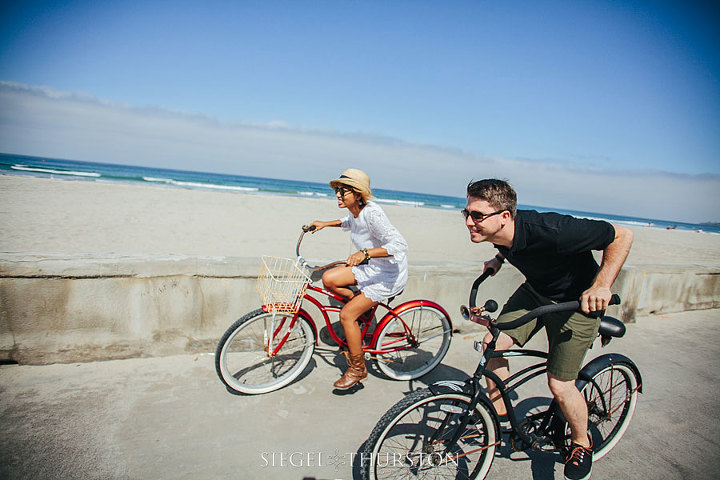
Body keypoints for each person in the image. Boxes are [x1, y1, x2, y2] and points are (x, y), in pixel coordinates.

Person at [464, 179, 632, 480]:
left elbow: (622, 235)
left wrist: (601, 285)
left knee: (560, 384)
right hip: (536, 292)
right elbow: (512, 245)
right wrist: (498, 260)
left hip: (578, 303)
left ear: (504, 216)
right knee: (493, 344)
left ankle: (582, 442)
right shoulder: (500, 231)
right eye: (465, 213)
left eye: (476, 215)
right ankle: (500, 421)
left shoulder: (555, 231)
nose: (468, 222)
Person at [308, 169, 408, 390]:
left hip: (388, 275)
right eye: (337, 190)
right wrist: (325, 224)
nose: (338, 195)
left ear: (358, 193)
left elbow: (400, 245)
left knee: (346, 315)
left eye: (343, 191)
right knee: (329, 278)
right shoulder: (356, 211)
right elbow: (350, 222)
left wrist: (365, 254)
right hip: (372, 267)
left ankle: (357, 368)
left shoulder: (373, 214)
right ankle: (360, 311)